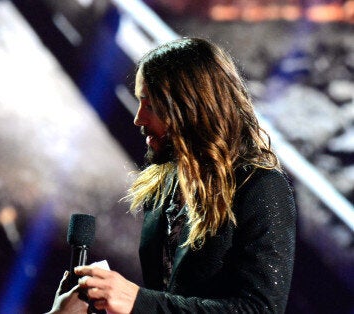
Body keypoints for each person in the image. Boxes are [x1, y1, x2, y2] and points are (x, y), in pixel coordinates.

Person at [50, 37, 296, 313]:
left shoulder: (260, 188)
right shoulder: (162, 191)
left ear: (193, 109)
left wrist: (137, 301)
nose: (139, 119)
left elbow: (261, 309)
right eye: (139, 103)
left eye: (151, 106)